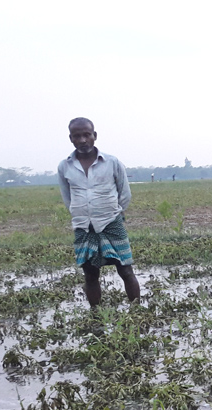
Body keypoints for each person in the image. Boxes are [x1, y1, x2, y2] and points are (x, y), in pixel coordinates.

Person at [57, 117, 141, 308]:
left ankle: (136, 311)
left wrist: (115, 213)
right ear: (71, 138)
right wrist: (80, 213)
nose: (83, 140)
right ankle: (96, 315)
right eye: (77, 136)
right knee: (90, 274)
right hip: (83, 226)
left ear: (94, 136)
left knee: (126, 270)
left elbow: (124, 193)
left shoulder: (112, 162)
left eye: (87, 135)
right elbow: (67, 198)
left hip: (111, 222)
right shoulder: (65, 166)